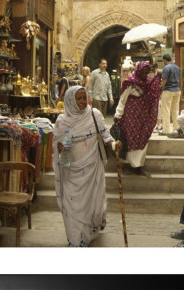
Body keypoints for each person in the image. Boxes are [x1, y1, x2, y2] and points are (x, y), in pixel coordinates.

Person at [52, 86, 122, 247]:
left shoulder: (94, 114)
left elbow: (105, 135)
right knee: (73, 206)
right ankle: (76, 240)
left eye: (85, 98)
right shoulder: (62, 121)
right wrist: (60, 147)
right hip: (70, 170)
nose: (83, 102)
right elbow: (58, 145)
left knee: (93, 206)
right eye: (79, 98)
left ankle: (91, 229)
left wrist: (113, 145)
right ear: (70, 101)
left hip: (92, 168)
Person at [114, 61, 162, 177]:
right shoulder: (130, 82)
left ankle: (138, 166)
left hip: (144, 116)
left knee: (143, 138)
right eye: (143, 71)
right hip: (130, 115)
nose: (145, 74)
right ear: (139, 71)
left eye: (147, 71)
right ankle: (127, 165)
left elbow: (154, 97)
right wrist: (118, 114)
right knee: (130, 138)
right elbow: (123, 99)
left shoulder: (149, 82)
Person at [159, 54, 181, 136]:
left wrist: (160, 86)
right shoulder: (177, 67)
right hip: (177, 90)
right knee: (175, 111)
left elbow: (164, 80)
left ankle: (166, 130)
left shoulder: (166, 67)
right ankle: (176, 129)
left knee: (166, 111)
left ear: (165, 60)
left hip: (168, 91)